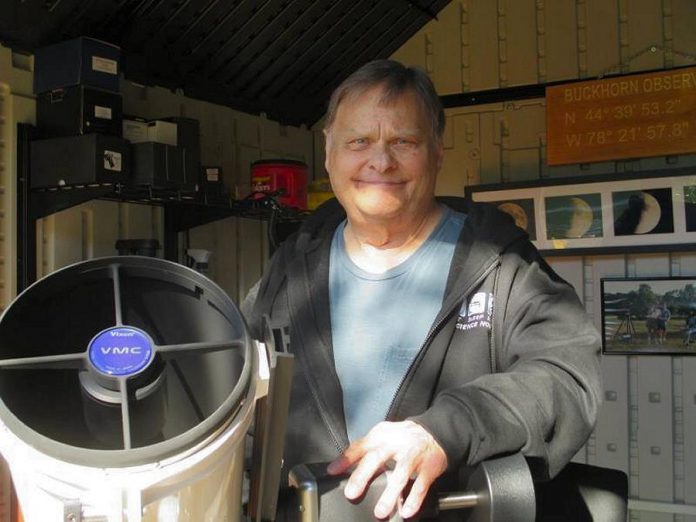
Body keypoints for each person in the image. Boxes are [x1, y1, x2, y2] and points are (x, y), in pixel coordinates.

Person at [242, 59, 602, 520]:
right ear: (330, 153)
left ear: (436, 152)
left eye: (403, 142)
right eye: (359, 141)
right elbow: (238, 389)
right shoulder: (291, 268)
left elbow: (566, 376)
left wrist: (446, 430)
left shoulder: (499, 261)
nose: (380, 160)